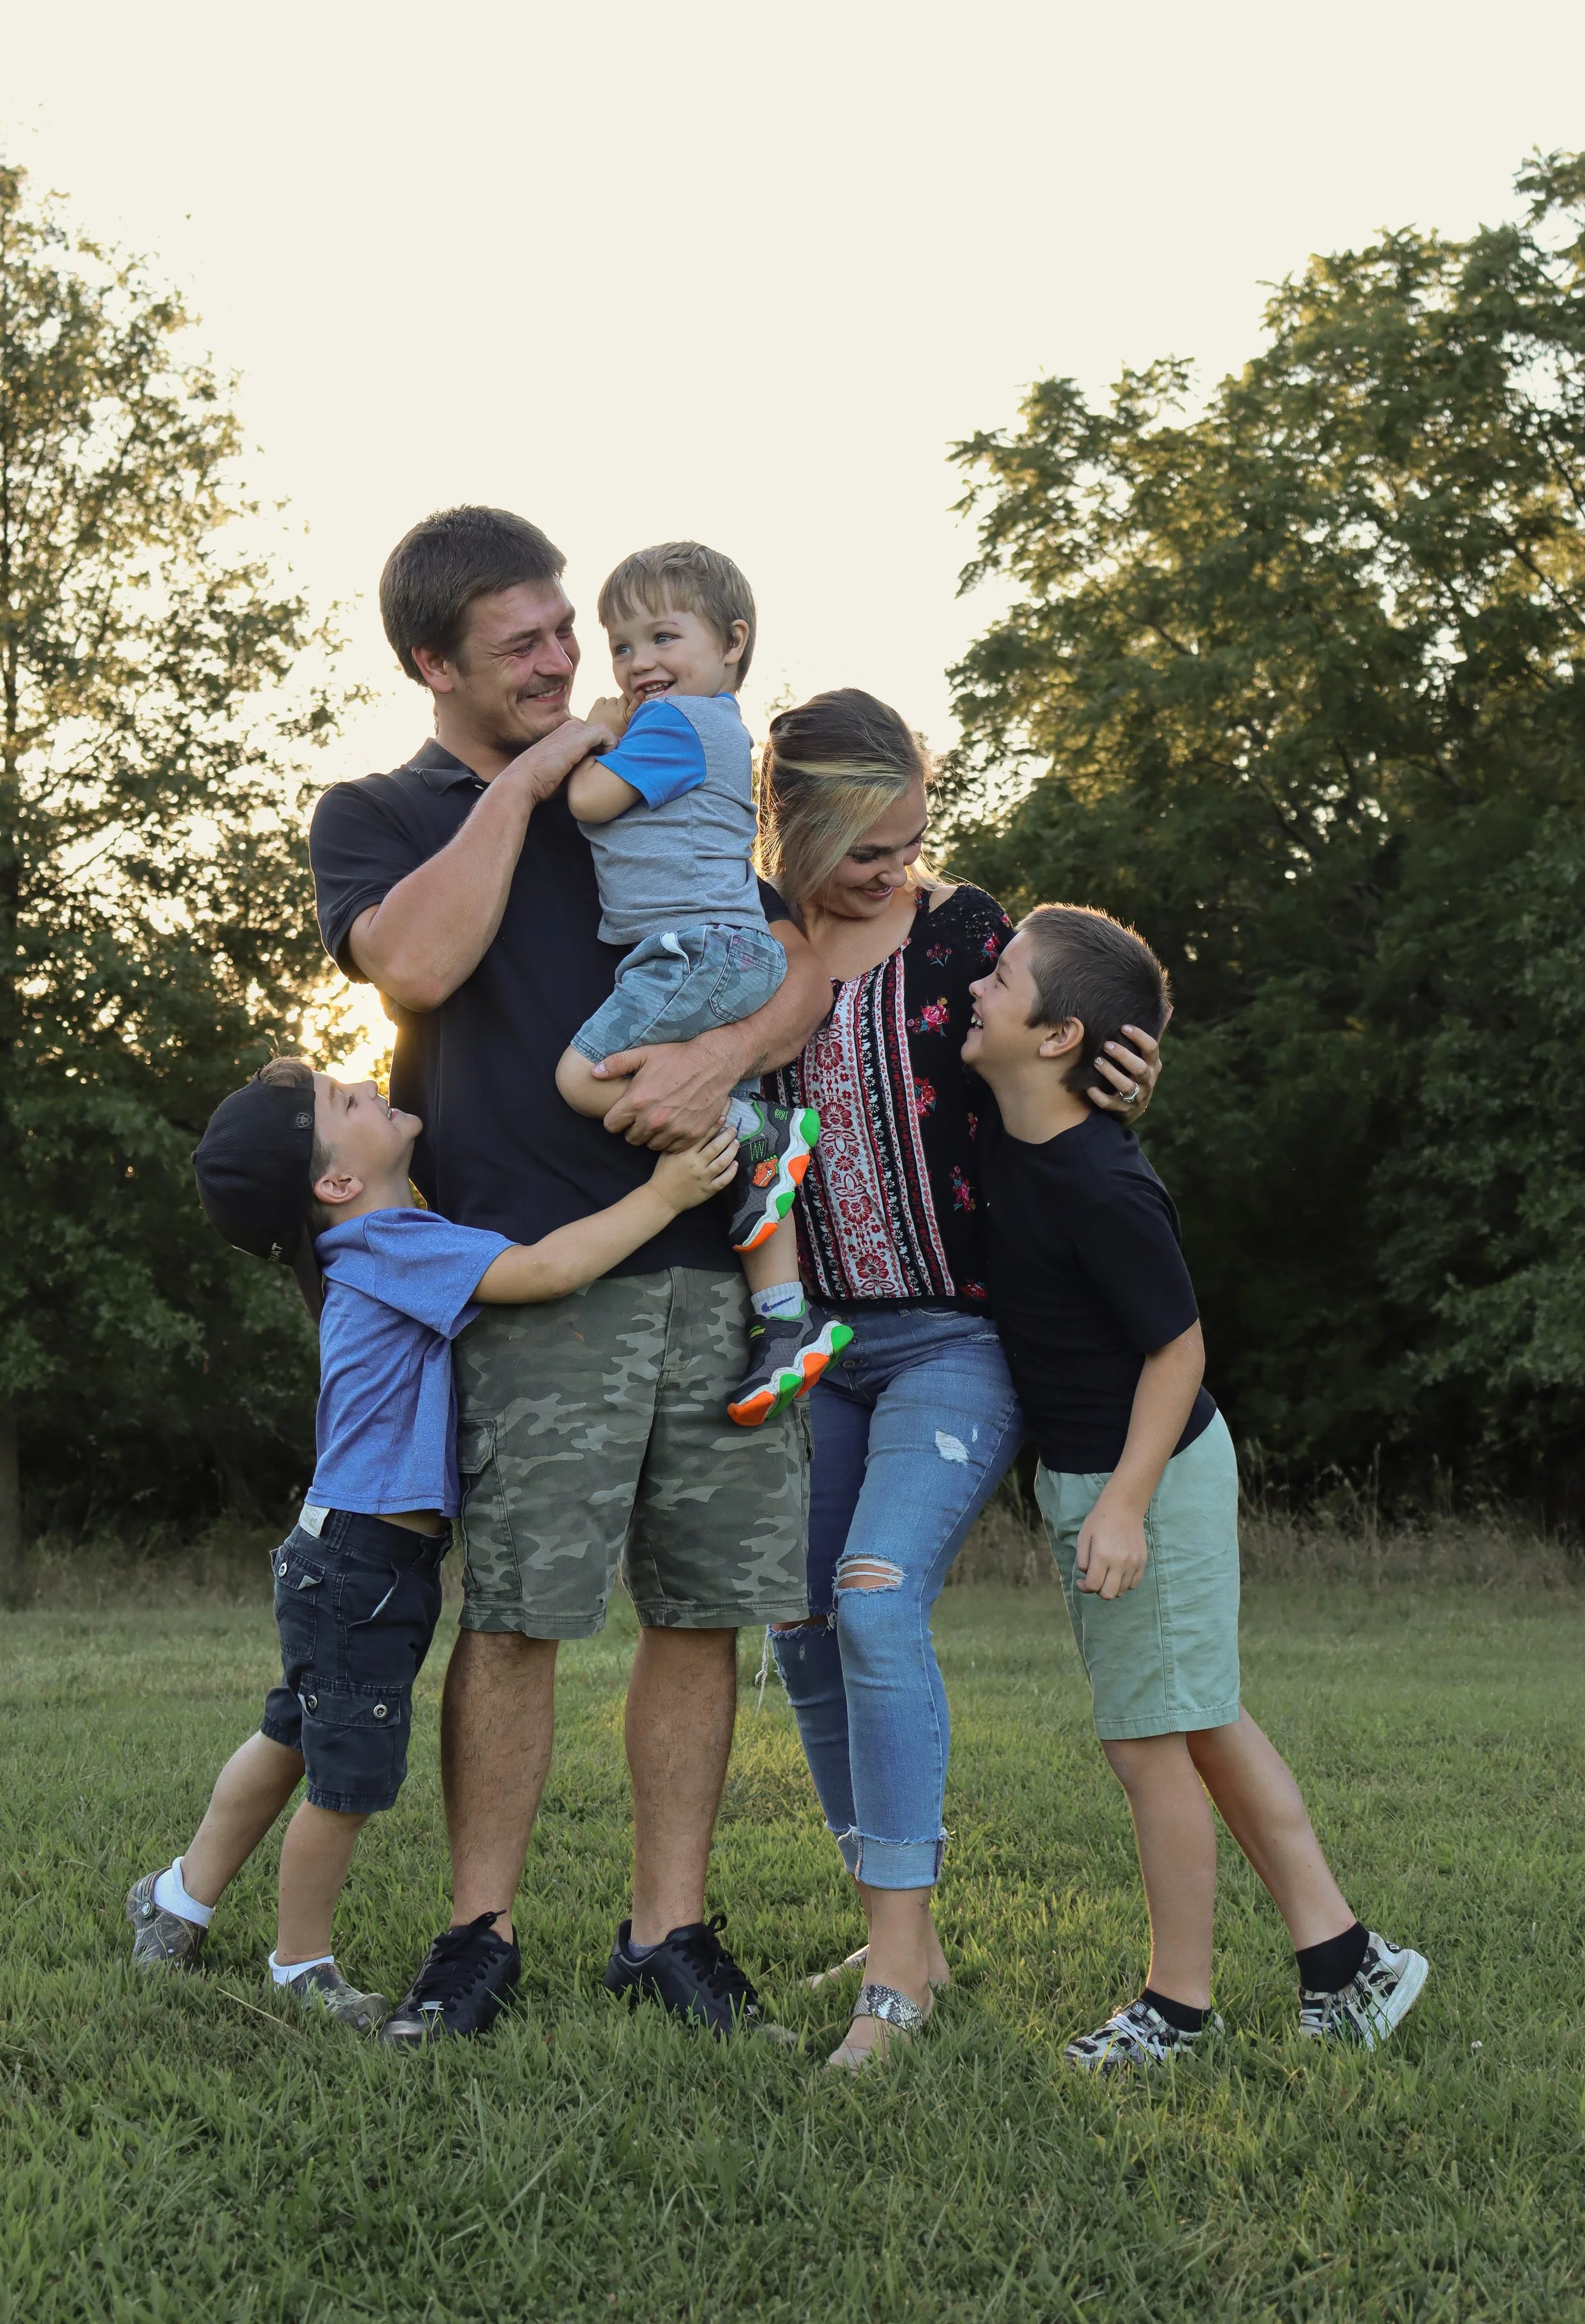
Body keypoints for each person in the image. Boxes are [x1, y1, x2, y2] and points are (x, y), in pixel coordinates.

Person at [306, 507, 831, 2041]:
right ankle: (479, 1932)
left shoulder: (668, 765)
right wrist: (531, 782)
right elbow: (411, 966)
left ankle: (667, 1931)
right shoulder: (383, 813)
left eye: (564, 633)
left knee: (701, 1609)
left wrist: (727, 1053)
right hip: (537, 1278)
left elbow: (791, 956)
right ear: (432, 665)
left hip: (715, 1261)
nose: (559, 662)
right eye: (521, 646)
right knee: (524, 1614)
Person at [127, 1058, 736, 2034]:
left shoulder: (367, 1246)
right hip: (364, 1565)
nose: (367, 1083)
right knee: (345, 1779)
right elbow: (546, 1269)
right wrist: (666, 1191)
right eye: (344, 1101)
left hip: (347, 1556)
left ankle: (177, 1897)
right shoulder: (392, 1242)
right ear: (333, 1183)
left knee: (294, 1732)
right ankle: (301, 1963)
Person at [757, 691, 1162, 2066]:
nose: (892, 869)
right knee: (799, 1629)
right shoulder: (759, 943)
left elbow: (1058, 1053)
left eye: (909, 837)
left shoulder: (958, 934)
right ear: (795, 824)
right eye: (864, 847)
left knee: (872, 1605)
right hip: (825, 1350)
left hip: (957, 1339)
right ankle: (896, 1929)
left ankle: (898, 1993)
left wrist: (1121, 1071)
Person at [966, 902, 1429, 2066]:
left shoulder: (1103, 1183)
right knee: (1201, 1721)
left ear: (1059, 1034)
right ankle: (1346, 1960)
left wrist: (1121, 1503)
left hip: (1150, 1474)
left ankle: (1178, 2008)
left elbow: (1179, 1349)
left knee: (1149, 1743)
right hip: (1101, 1471)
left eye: (1004, 974)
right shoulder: (1002, 1121)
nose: (979, 981)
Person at [553, 540, 852, 1425]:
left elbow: (587, 802)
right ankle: (786, 1320)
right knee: (756, 1173)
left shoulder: (673, 725)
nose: (640, 663)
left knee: (583, 1076)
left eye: (662, 637)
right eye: (622, 647)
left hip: (696, 954)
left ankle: (756, 1124)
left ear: (732, 643)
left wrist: (591, 728)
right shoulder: (715, 724)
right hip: (730, 954)